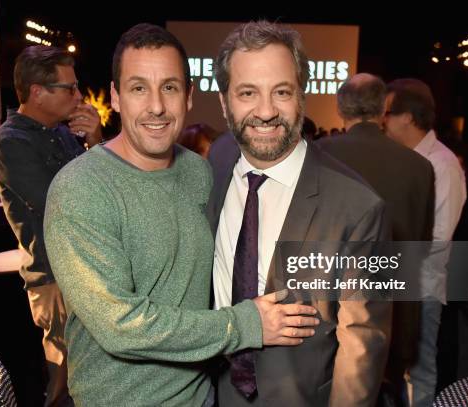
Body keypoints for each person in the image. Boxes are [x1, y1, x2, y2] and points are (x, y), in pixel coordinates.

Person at [43, 23, 318, 407]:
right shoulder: (80, 189)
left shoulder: (199, 171)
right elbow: (119, 326)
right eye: (139, 88)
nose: (156, 106)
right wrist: (246, 324)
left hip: (204, 395)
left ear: (188, 96)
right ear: (116, 97)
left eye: (169, 87)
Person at [209, 21, 391, 407]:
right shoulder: (217, 160)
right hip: (213, 394)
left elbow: (363, 345)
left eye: (281, 92)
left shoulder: (359, 206)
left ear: (302, 97)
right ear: (224, 102)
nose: (265, 111)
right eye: (247, 93)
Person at [0, 45, 102, 407]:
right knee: (66, 383)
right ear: (37, 92)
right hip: (54, 277)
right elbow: (64, 203)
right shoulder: (9, 143)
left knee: (97, 377)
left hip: (87, 269)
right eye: (69, 88)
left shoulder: (64, 133)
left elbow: (105, 191)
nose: (79, 96)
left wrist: (97, 142)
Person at [318, 73, 435, 403]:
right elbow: (422, 246)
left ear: (340, 108)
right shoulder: (419, 167)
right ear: (384, 106)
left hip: (329, 313)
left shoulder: (316, 156)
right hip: (396, 311)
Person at [384, 78, 466, 406]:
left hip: (421, 286)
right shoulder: (401, 158)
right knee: (392, 370)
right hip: (395, 280)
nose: (381, 119)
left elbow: (439, 237)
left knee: (418, 368)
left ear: (408, 117)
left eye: (387, 112)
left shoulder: (442, 164)